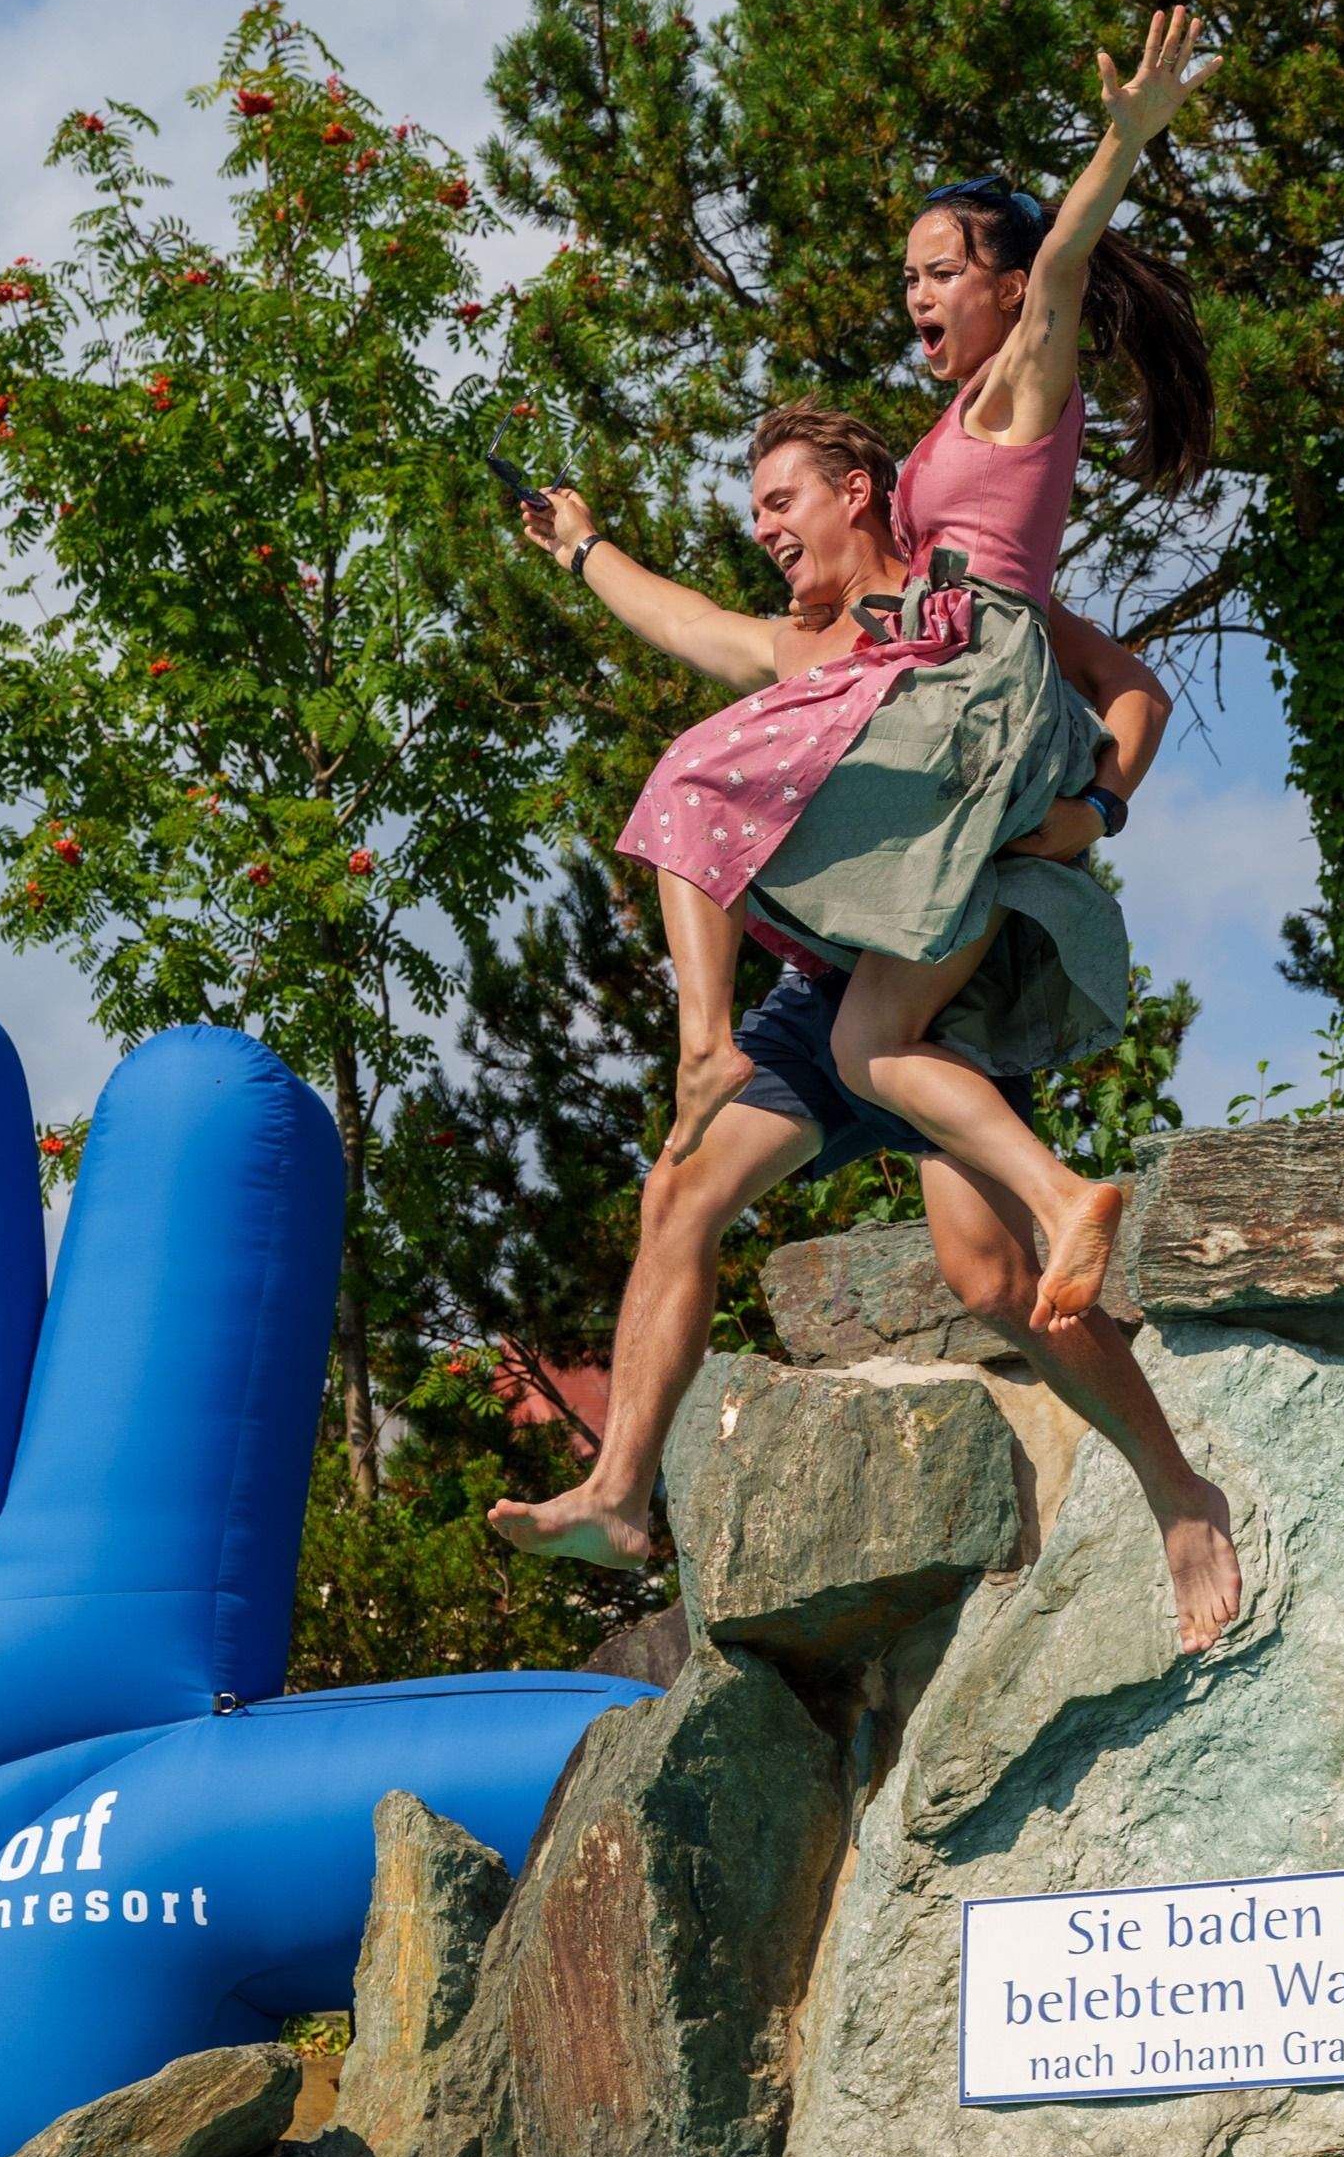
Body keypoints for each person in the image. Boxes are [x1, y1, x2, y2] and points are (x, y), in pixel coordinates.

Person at [487, 405, 1244, 1656]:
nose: (764, 530)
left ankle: (1178, 1489)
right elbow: (691, 627)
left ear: (858, 490)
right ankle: (621, 1494)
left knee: (996, 1282)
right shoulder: (804, 650)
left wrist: (1098, 807)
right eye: (756, 514)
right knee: (676, 1191)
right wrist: (581, 548)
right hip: (832, 985)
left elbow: (1131, 689)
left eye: (782, 503)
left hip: (950, 970)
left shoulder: (965, 595)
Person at [615, 9, 1217, 1319]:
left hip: (969, 700)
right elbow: (698, 626)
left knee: (701, 778)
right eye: (908, 280)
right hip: (945, 689)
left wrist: (1117, 149)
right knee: (864, 1039)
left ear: (1002, 287)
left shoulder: (1017, 393)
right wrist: (583, 549)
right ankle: (1063, 1200)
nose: (919, 297)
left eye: (942, 270)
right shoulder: (952, 432)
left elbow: (1059, 270)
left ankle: (709, 1047)